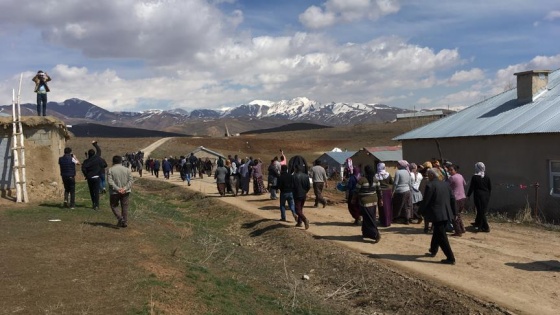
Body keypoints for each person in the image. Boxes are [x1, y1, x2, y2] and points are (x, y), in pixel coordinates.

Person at [419, 168, 457, 265]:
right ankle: (433, 249)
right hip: (447, 213)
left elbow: (426, 200)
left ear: (432, 175)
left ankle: (450, 257)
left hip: (437, 214)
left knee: (442, 236)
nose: (428, 176)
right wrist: (455, 212)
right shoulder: (446, 184)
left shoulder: (430, 185)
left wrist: (420, 211)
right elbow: (453, 199)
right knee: (437, 232)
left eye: (428, 175)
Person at [353, 165, 382, 243]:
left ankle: (376, 234)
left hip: (365, 202)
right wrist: (381, 200)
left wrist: (353, 199)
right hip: (374, 201)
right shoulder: (376, 180)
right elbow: (379, 191)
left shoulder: (361, 180)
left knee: (369, 218)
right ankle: (366, 233)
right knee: (368, 217)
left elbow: (356, 191)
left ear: (365, 171)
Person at [107, 155, 134, 228]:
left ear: (113, 161)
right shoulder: (127, 170)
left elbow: (110, 181)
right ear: (121, 161)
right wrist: (124, 188)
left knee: (113, 205)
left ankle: (120, 218)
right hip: (126, 191)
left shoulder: (111, 170)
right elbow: (131, 180)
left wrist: (117, 189)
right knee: (124, 206)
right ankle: (124, 222)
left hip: (115, 192)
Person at [467, 162, 492, 233]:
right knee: (482, 210)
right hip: (486, 196)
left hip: (478, 196)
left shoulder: (475, 177)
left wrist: (468, 195)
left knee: (481, 211)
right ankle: (477, 223)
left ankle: (486, 227)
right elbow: (490, 188)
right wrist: (488, 195)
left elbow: (471, 187)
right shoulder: (487, 176)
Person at [82, 144, 108, 210]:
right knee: (96, 192)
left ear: (88, 154)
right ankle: (96, 205)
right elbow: (104, 164)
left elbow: (83, 168)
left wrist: (86, 175)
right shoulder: (98, 159)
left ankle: (93, 203)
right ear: (94, 154)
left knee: (91, 191)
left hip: (89, 177)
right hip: (96, 177)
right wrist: (99, 168)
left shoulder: (86, 161)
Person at [447, 164, 467, 236]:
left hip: (456, 198)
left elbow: (446, 186)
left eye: (451, 170)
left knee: (454, 215)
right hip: (462, 197)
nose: (450, 171)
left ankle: (458, 231)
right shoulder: (460, 176)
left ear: (455, 170)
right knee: (458, 214)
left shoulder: (451, 178)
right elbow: (464, 184)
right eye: (449, 170)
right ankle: (462, 228)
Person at [392, 160, 412, 224]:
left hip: (400, 191)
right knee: (406, 206)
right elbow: (410, 183)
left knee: (398, 206)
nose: (397, 166)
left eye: (398, 164)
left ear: (401, 165)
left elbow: (395, 183)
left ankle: (396, 218)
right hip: (407, 190)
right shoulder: (408, 172)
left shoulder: (398, 172)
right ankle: (407, 219)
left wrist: (393, 191)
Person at [293, 163, 311, 229]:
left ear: (296, 169)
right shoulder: (306, 176)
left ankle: (305, 220)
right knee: (300, 208)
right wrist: (305, 192)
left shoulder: (294, 176)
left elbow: (292, 186)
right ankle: (299, 222)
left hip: (297, 195)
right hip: (303, 194)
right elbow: (308, 186)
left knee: (297, 210)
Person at [375, 163, 394, 227]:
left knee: (381, 207)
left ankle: (383, 221)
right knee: (388, 206)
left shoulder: (376, 176)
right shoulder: (388, 174)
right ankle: (388, 221)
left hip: (380, 192)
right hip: (388, 192)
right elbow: (392, 182)